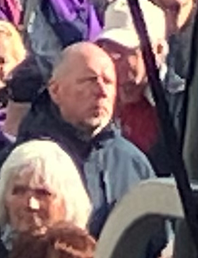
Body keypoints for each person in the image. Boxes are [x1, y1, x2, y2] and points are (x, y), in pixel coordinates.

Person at [19, 42, 155, 221]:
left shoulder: (133, 164)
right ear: (55, 90)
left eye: (108, 82)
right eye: (90, 80)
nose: (101, 91)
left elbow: (157, 239)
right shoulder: (23, 162)